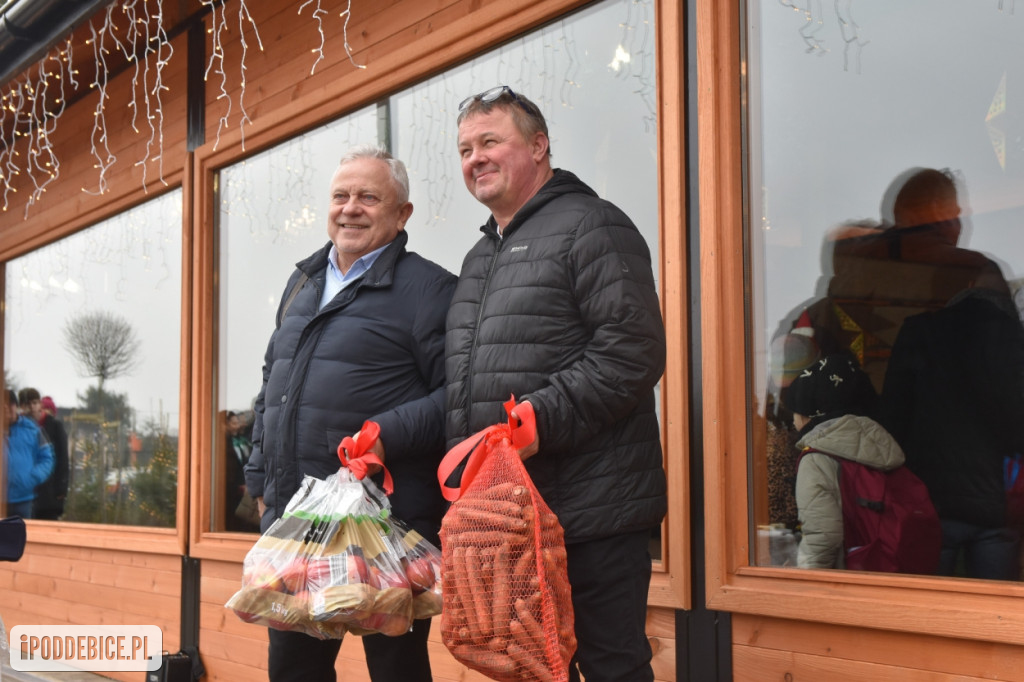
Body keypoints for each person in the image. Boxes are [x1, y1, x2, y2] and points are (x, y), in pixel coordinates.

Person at [446, 86, 667, 682]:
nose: (475, 158)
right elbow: (464, 388)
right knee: (530, 669)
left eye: (491, 141)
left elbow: (633, 351)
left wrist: (540, 419)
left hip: (593, 509)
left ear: (539, 146)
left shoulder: (593, 224)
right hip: (510, 520)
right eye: (465, 148)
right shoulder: (476, 260)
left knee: (611, 666)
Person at [243, 144, 457, 682]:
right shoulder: (302, 284)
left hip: (389, 525)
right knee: (293, 671)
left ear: (402, 213)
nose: (351, 208)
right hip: (299, 521)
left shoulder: (431, 290)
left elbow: (460, 395)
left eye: (368, 197)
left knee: (396, 670)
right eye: (341, 196)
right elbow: (274, 383)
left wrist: (386, 432)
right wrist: (258, 481)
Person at [880, 285, 1024, 580]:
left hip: (932, 502)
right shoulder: (1013, 339)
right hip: (997, 506)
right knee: (995, 611)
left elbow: (892, 417)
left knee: (929, 606)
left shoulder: (921, 333)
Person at [782, 354, 898, 569]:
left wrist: (808, 586)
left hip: (847, 578)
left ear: (810, 416)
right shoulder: (882, 444)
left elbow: (823, 537)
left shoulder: (817, 459)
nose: (793, 421)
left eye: (796, 413)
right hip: (888, 566)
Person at [18, 388, 69, 520]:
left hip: (50, 494)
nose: (31, 408)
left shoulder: (54, 426)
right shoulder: (20, 427)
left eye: (34, 403)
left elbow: (63, 458)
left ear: (40, 404)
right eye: (27, 404)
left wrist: (61, 489)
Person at [4, 390, 54, 519]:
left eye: (9, 405)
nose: (6, 410)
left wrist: (33, 477)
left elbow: (47, 458)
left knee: (23, 536)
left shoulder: (33, 430)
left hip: (23, 499)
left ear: (16, 406)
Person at [223, 410, 257, 532]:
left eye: (239, 422)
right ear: (226, 424)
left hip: (243, 485)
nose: (238, 425)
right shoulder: (223, 443)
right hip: (233, 489)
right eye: (234, 423)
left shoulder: (242, 440)